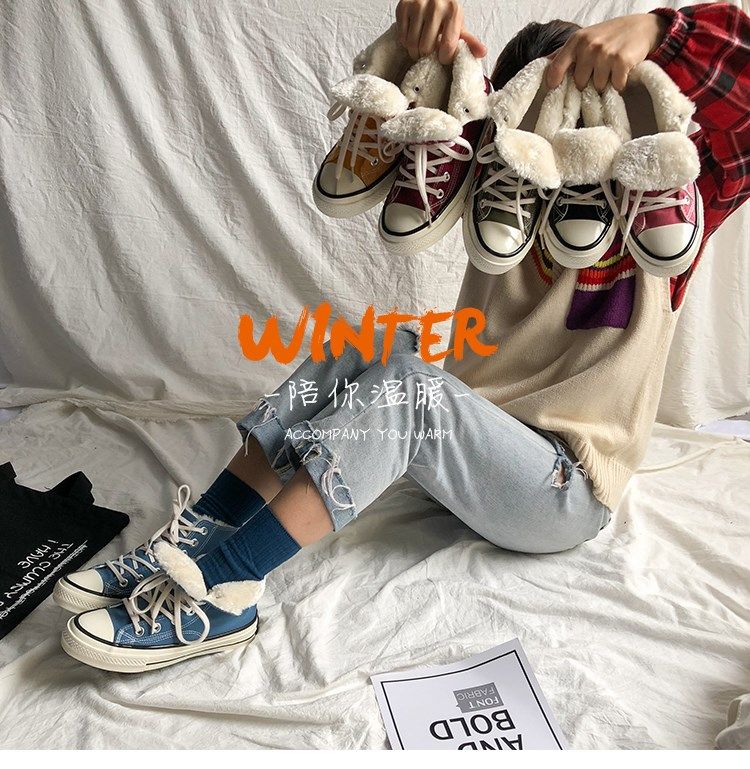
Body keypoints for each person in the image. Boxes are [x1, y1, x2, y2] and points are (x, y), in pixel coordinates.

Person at [56, 2, 750, 671]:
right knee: (367, 343)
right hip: (469, 457)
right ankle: (196, 537)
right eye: (528, 129)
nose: (549, 152)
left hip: (561, 492)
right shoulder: (492, 185)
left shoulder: (665, 210)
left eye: (571, 125)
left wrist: (658, 28)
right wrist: (421, 51)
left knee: (414, 391)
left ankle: (223, 587)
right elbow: (394, 139)